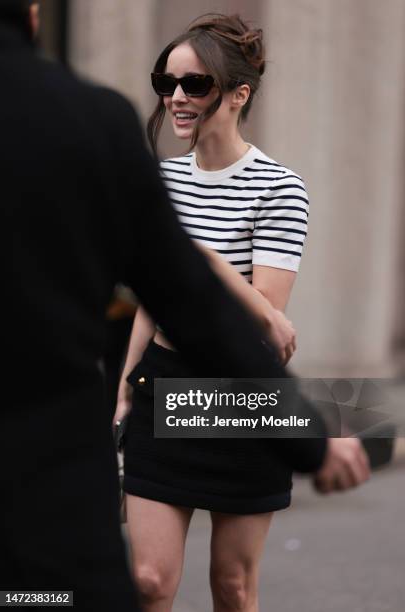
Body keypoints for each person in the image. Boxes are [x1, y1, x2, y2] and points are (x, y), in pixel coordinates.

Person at [115, 13, 371, 612]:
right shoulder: (161, 181)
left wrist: (190, 252)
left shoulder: (280, 187)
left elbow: (264, 315)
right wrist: (123, 391)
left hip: (242, 394)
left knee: (232, 589)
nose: (176, 97)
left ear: (238, 93)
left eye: (194, 84)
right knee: (149, 582)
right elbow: (152, 303)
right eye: (167, 81)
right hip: (164, 386)